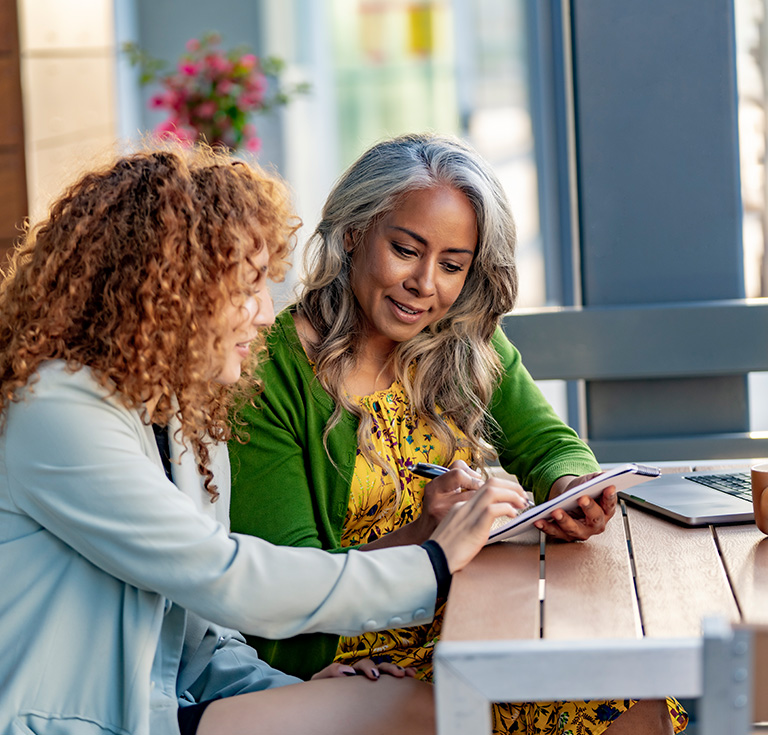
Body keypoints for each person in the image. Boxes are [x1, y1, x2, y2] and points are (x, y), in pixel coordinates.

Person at [0, 144, 522, 735]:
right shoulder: (57, 410)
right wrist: (433, 562)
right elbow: (224, 577)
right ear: (168, 290)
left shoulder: (178, 416)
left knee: (413, 708)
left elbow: (197, 631)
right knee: (416, 714)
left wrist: (284, 692)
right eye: (245, 289)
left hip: (159, 716)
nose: (266, 315)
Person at [229, 133, 688, 734]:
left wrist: (570, 484)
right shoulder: (271, 372)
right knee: (621, 704)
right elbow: (287, 583)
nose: (425, 284)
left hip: (473, 618)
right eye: (405, 250)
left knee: (640, 694)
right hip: (352, 657)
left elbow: (550, 444)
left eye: (452, 265)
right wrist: (427, 536)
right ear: (352, 234)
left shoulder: (461, 338)